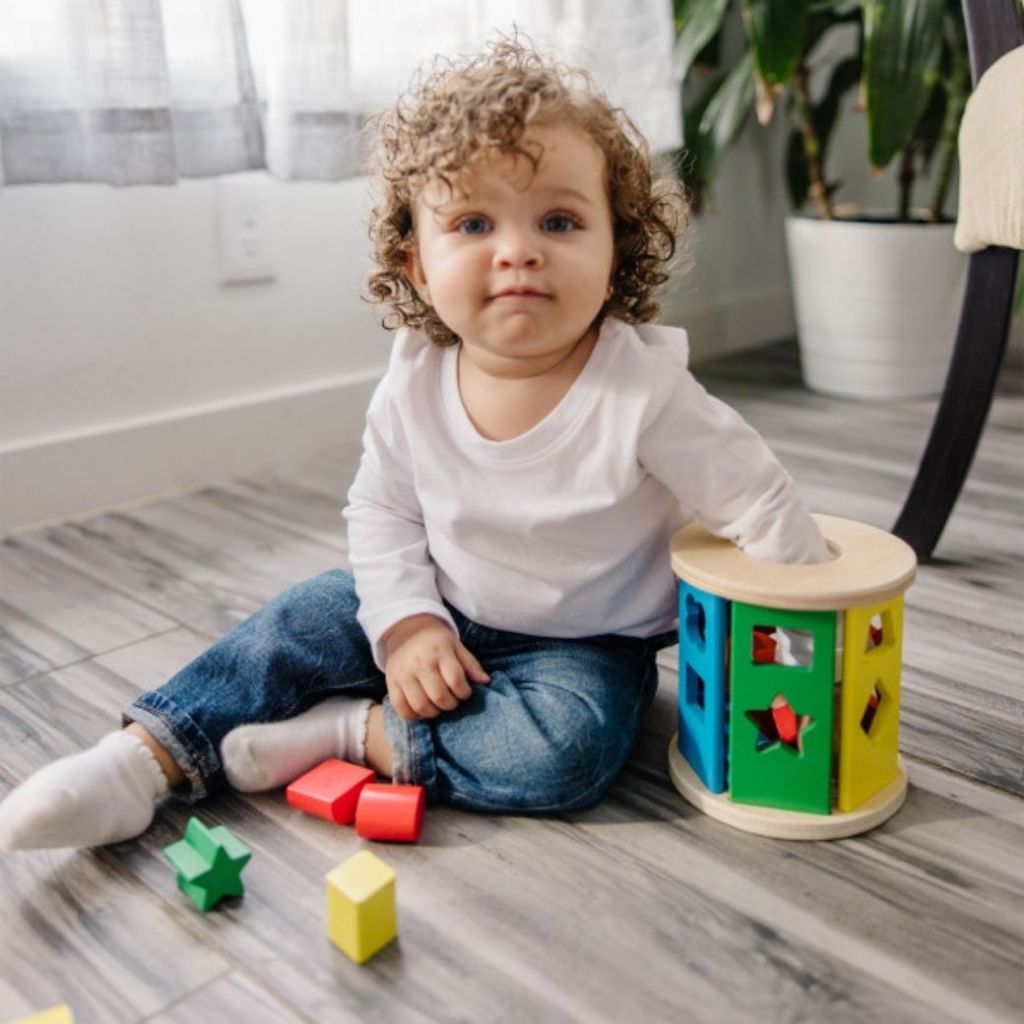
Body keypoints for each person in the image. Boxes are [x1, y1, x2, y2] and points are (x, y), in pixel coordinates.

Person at [0, 38, 828, 852]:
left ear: (616, 250)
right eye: (473, 223)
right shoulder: (415, 378)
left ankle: (351, 734)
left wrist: (815, 630)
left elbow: (755, 497)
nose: (518, 250)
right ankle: (139, 761)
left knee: (568, 752)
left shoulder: (644, 388)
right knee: (295, 623)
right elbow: (382, 509)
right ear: (420, 266)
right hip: (437, 597)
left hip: (582, 648)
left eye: (560, 220)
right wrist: (405, 625)